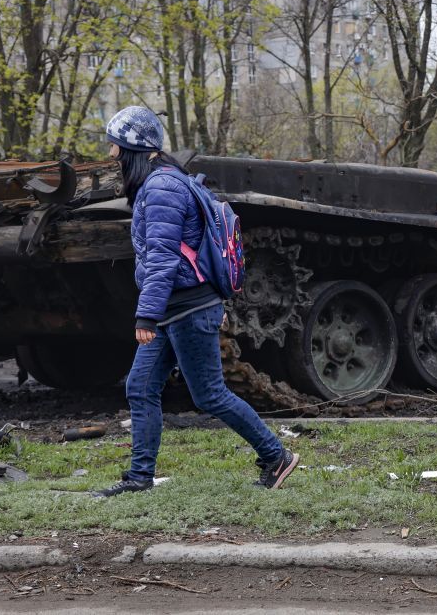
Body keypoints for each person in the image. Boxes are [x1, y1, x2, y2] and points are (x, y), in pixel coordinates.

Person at [94, 106, 298, 498]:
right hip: (177, 308)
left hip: (187, 308)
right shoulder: (161, 184)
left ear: (136, 149)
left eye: (115, 147)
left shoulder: (161, 189)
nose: (110, 155)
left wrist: (146, 316)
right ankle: (139, 479)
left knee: (209, 394)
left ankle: (276, 456)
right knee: (140, 386)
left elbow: (163, 258)